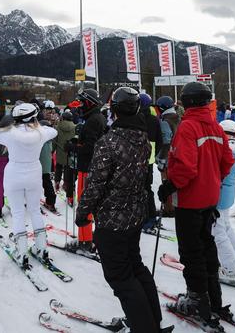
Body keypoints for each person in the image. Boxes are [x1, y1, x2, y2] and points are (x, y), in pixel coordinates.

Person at [76, 87, 173, 333]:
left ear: (115, 110)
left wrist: (83, 211)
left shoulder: (109, 142)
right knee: (135, 266)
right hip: (133, 215)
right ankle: (151, 320)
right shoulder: (141, 137)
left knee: (121, 277)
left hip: (113, 219)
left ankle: (145, 327)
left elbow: (96, 183)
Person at [157, 82, 235, 330]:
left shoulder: (188, 127)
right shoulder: (214, 126)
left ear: (187, 102)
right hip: (209, 198)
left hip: (190, 200)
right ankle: (214, 298)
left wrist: (170, 185)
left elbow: (186, 167)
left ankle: (197, 301)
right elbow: (227, 160)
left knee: (192, 253)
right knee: (207, 247)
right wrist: (213, 179)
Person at [0, 103, 57, 269]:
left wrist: (4, 128)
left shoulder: (9, 133)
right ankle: (41, 248)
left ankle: (21, 251)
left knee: (17, 212)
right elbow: (53, 131)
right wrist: (40, 126)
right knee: (34, 210)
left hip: (14, 173)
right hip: (34, 174)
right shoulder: (41, 132)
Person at [214, 120, 235, 285]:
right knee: (225, 226)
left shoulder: (227, 148)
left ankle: (230, 268)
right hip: (228, 192)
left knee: (218, 232)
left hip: (221, 193)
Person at [75, 88, 107, 252]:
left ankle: (85, 241)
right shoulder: (97, 117)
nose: (79, 105)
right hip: (94, 167)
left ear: (89, 103)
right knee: (93, 204)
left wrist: (74, 147)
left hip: (87, 168)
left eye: (82, 102)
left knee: (84, 203)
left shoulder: (94, 120)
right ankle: (93, 238)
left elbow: (91, 147)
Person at [139, 93, 163, 231]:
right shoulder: (154, 119)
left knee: (139, 189)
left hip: (136, 158)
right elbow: (160, 140)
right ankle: (150, 217)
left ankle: (145, 217)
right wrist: (153, 153)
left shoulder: (136, 118)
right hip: (149, 159)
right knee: (147, 189)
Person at [155, 95, 180, 218]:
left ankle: (169, 209)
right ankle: (174, 207)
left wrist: (162, 160)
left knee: (166, 183)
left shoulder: (165, 121)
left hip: (168, 157)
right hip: (178, 155)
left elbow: (166, 141)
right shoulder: (177, 118)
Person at [54, 110, 76, 205]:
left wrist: (53, 150)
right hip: (70, 154)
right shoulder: (75, 127)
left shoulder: (57, 127)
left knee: (58, 167)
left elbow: (55, 141)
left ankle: (57, 182)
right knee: (69, 173)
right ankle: (68, 189)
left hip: (60, 152)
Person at [39, 120, 58, 212]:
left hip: (40, 165)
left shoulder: (41, 139)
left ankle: (50, 202)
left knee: (44, 183)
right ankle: (51, 202)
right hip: (46, 164)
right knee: (47, 182)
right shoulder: (49, 139)